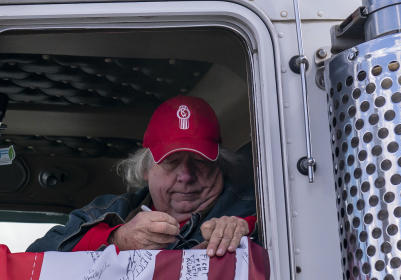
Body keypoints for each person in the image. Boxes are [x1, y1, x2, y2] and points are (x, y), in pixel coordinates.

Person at [27, 96, 255, 258]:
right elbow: (36, 258)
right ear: (145, 170)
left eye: (200, 161)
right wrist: (117, 240)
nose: (185, 176)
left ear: (219, 165)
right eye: (171, 162)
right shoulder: (112, 210)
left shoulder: (260, 205)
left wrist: (247, 229)